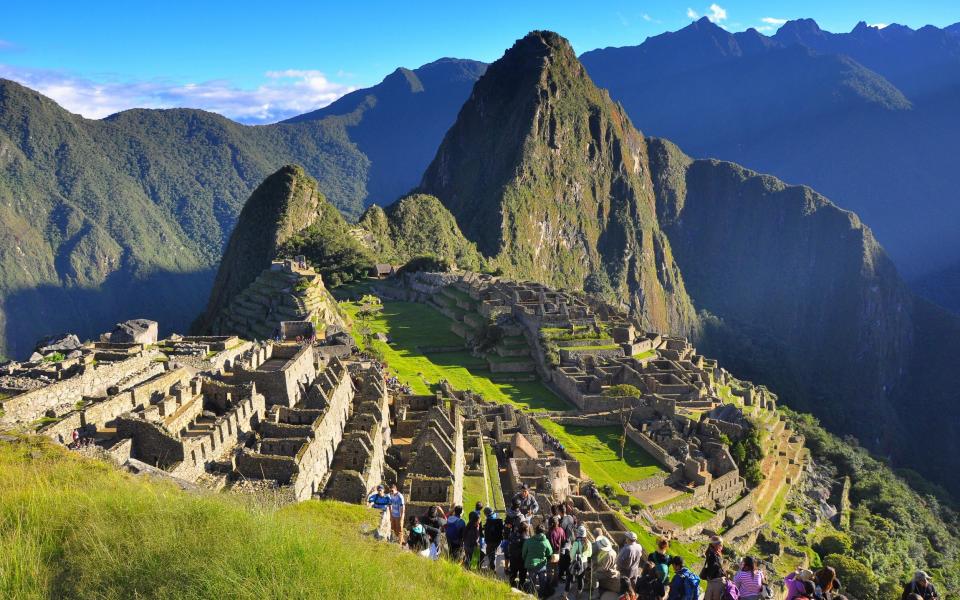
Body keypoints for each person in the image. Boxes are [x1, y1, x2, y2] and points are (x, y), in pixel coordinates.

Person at [522, 523, 554, 598]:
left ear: (536, 531)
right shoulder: (546, 541)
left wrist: (526, 559)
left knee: (532, 582)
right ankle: (541, 596)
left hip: (531, 564)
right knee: (542, 582)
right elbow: (550, 552)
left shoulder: (528, 541)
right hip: (541, 566)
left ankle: (532, 596)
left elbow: (524, 553)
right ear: (544, 532)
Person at [617, 530, 645, 598]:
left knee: (625, 585)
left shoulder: (627, 549)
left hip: (626, 570)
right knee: (633, 583)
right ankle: (632, 595)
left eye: (626, 537)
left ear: (629, 539)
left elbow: (619, 560)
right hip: (635, 569)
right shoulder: (639, 546)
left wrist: (618, 567)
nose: (625, 539)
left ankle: (624, 597)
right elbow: (640, 555)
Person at [567, 525, 593, 596]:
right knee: (581, 578)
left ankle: (566, 593)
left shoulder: (576, 543)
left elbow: (572, 555)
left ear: (578, 533)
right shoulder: (588, 543)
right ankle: (579, 592)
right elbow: (590, 554)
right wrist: (583, 555)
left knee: (570, 575)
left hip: (576, 562)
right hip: (584, 563)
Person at [700, 535, 726, 600]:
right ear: (717, 545)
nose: (722, 547)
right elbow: (714, 567)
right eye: (721, 545)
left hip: (713, 582)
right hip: (716, 582)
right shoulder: (714, 555)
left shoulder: (711, 552)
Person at [509, 522, 531, 590]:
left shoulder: (512, 535)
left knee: (513, 574)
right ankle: (521, 588)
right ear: (525, 529)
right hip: (522, 559)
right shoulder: (526, 538)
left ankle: (511, 586)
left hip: (513, 558)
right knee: (522, 576)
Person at [547, 516, 567, 587]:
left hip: (551, 552)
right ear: (557, 523)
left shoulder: (550, 532)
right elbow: (564, 540)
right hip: (558, 552)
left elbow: (548, 544)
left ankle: (549, 583)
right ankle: (555, 583)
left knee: (549, 568)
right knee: (556, 568)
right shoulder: (561, 530)